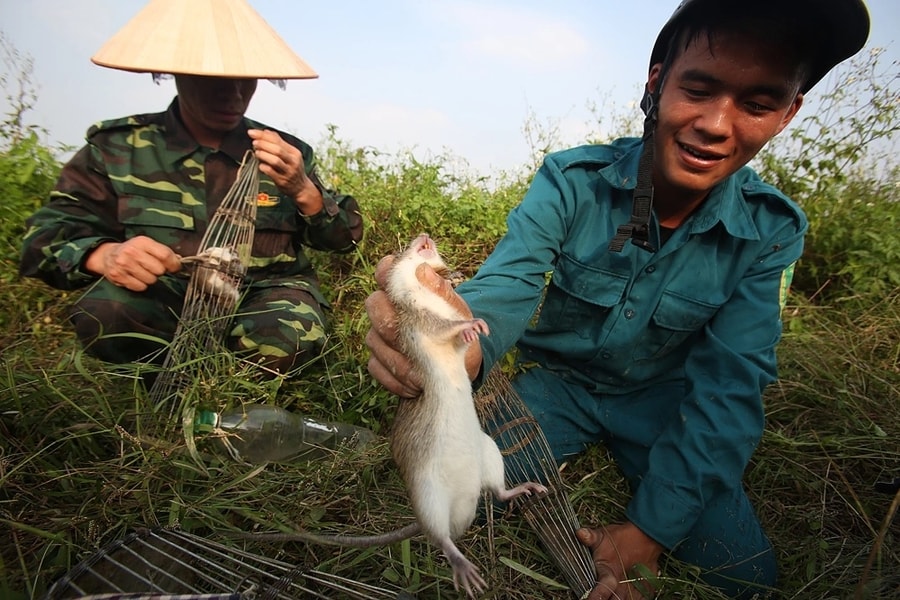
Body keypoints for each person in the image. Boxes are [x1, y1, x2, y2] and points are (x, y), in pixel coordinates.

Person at [364, 0, 870, 597]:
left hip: (664, 405)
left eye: (757, 104)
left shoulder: (772, 229)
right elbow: (510, 282)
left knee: (747, 576)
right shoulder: (570, 181)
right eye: (698, 89)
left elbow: (731, 384)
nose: (715, 123)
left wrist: (647, 532)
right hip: (557, 386)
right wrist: (461, 346)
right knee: (444, 497)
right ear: (656, 83)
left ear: (787, 114)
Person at [19, 0, 362, 377]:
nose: (232, 94)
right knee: (106, 313)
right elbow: (43, 239)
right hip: (167, 296)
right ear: (176, 74)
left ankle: (242, 403)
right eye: (214, 81)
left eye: (245, 80)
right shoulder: (118, 147)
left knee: (288, 337)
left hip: (263, 295)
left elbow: (344, 239)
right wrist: (105, 255)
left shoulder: (284, 152)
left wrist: (303, 190)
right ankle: (153, 386)